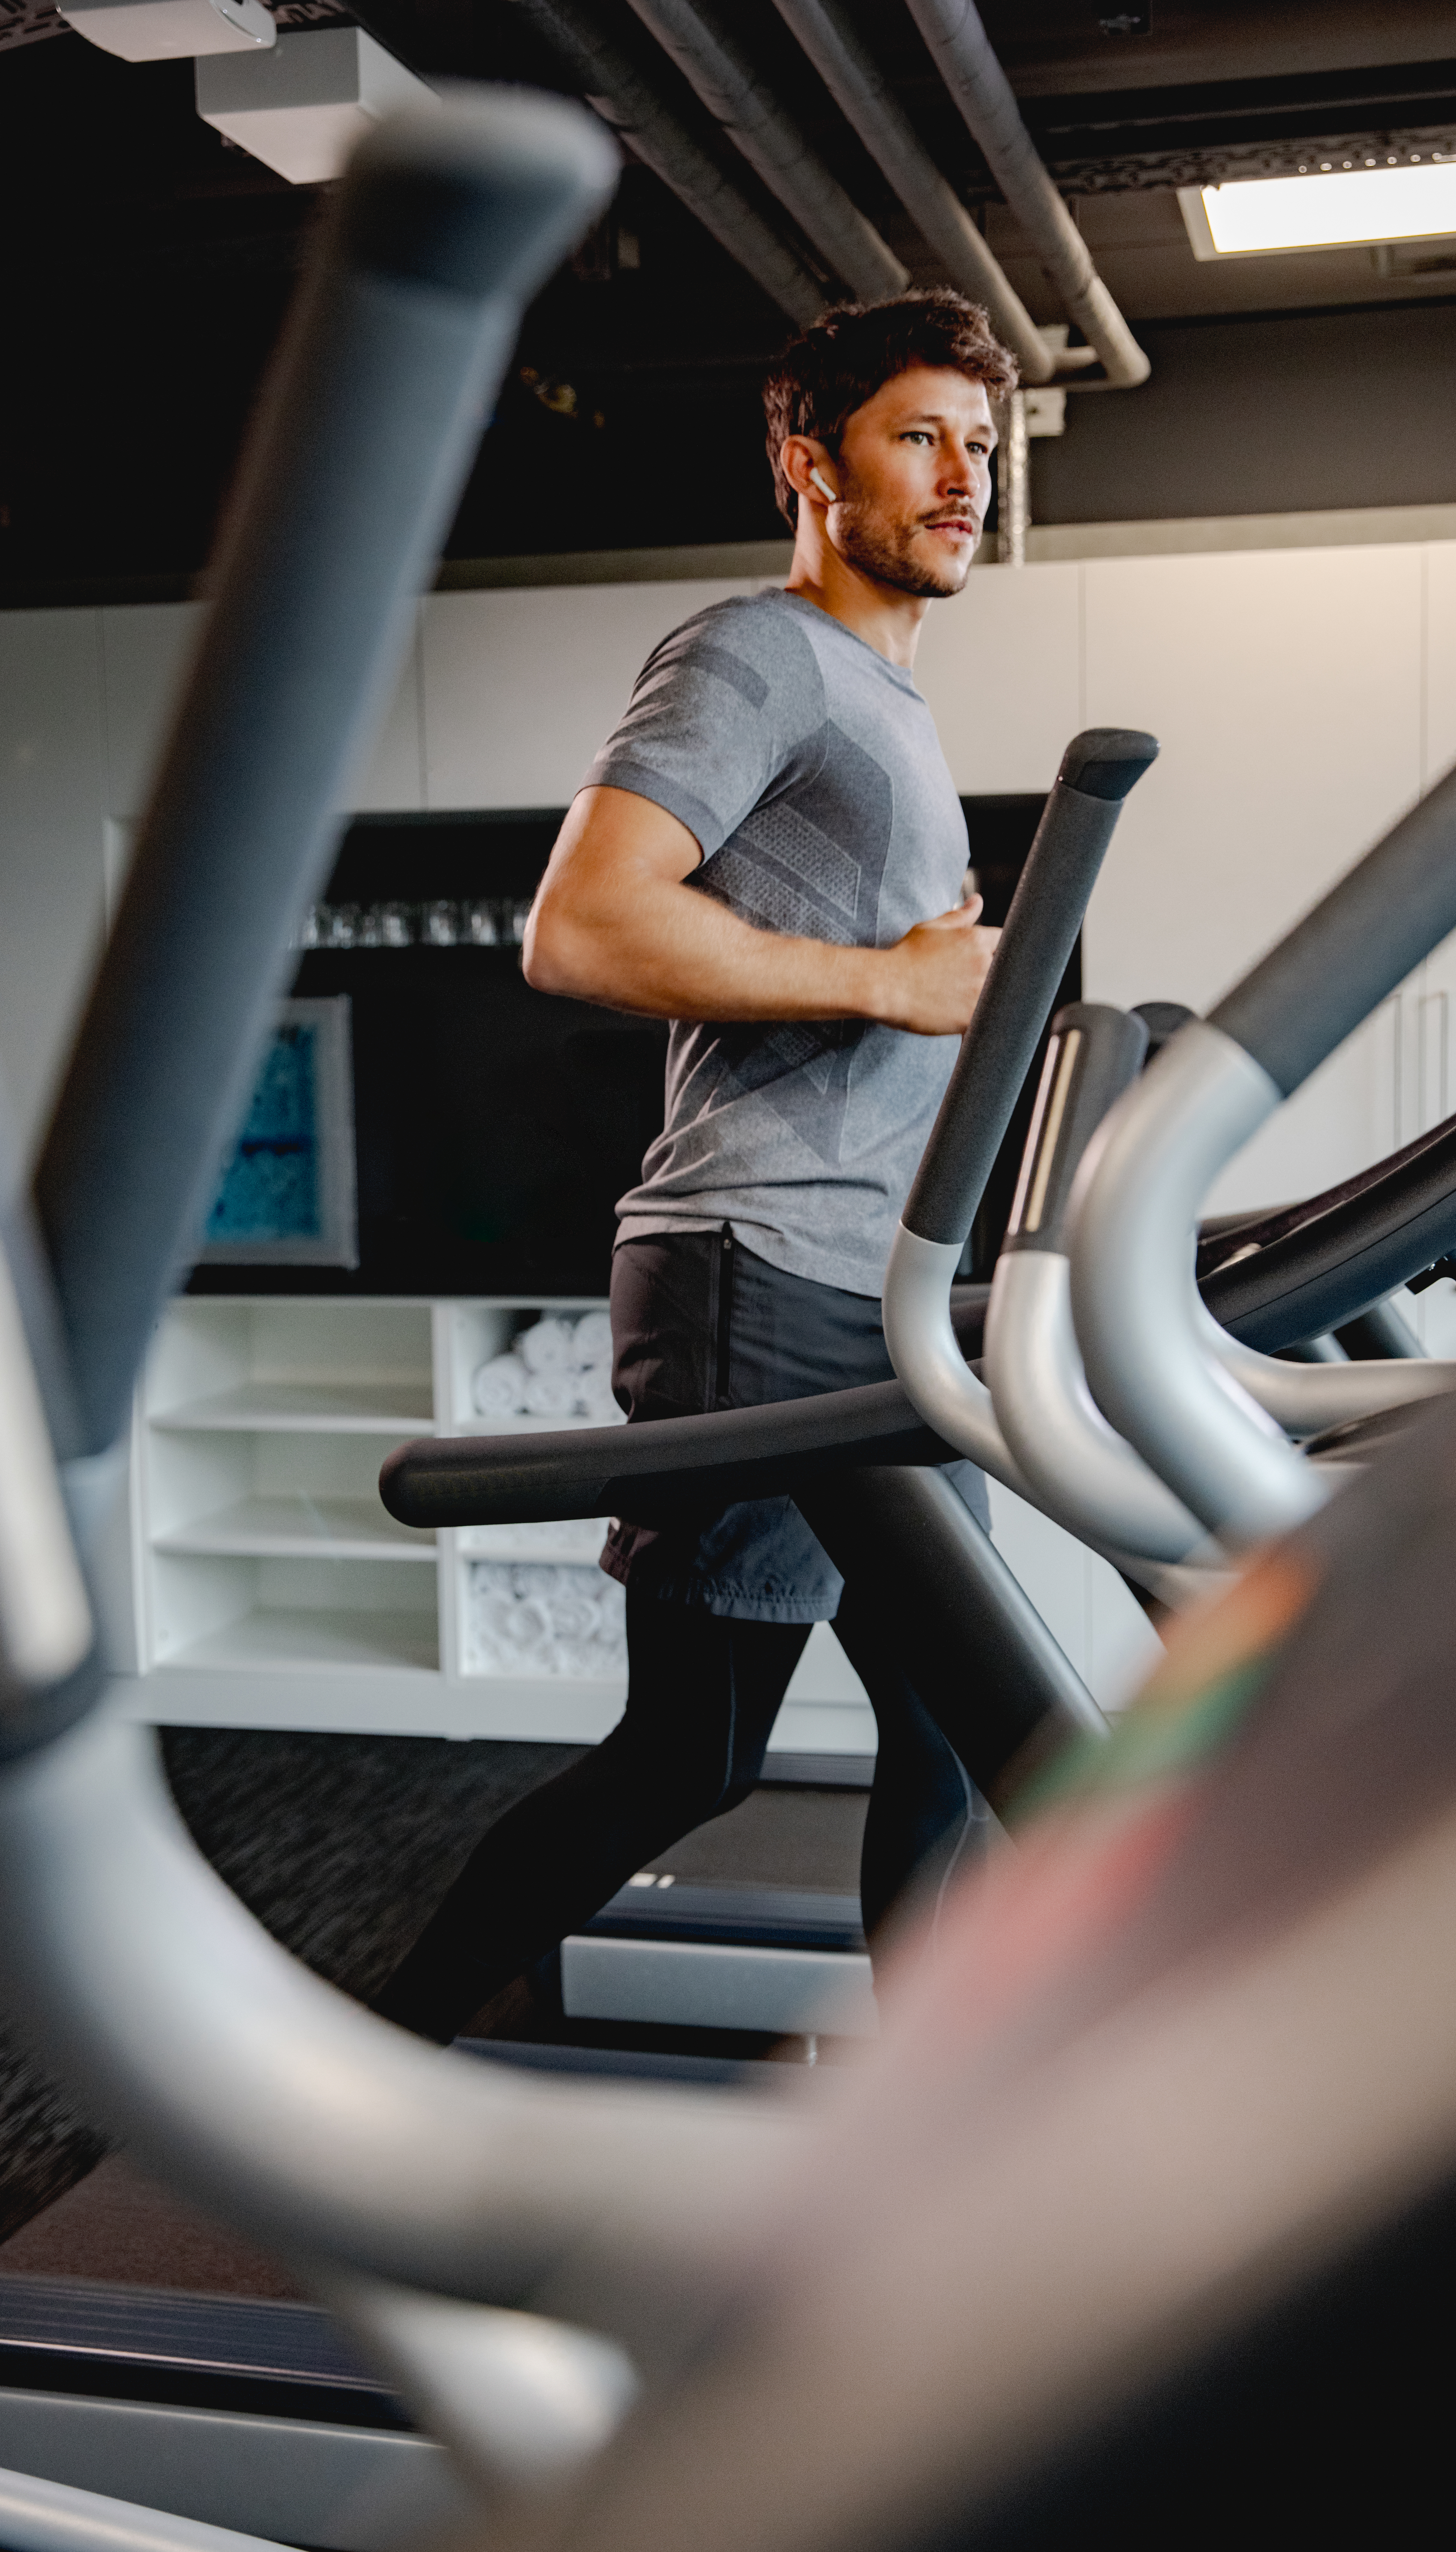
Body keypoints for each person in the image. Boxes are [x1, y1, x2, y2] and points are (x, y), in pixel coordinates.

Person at [374, 289, 1019, 2043]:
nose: (967, 477)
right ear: (813, 465)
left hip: (851, 1282)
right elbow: (579, 930)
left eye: (983, 443)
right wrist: (890, 978)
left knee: (697, 1753)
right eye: (919, 438)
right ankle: (952, 2162)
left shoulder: (890, 708)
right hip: (766, 1275)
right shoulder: (757, 654)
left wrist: (929, 986)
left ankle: (387, 2041)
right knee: (968, 1709)